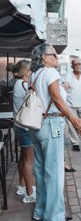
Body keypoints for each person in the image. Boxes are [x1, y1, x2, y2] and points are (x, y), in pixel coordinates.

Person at [29, 43, 81, 221]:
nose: (57, 57)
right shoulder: (51, 73)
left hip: (36, 124)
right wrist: (74, 119)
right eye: (53, 54)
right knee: (53, 172)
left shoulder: (35, 74)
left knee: (39, 169)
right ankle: (54, 218)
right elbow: (56, 98)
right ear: (44, 57)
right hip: (51, 123)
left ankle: (40, 210)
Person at [11, 60, 36, 203]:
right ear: (27, 72)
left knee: (23, 157)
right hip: (25, 127)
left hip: (19, 125)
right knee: (28, 160)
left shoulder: (18, 84)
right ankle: (29, 193)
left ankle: (22, 186)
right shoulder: (25, 85)